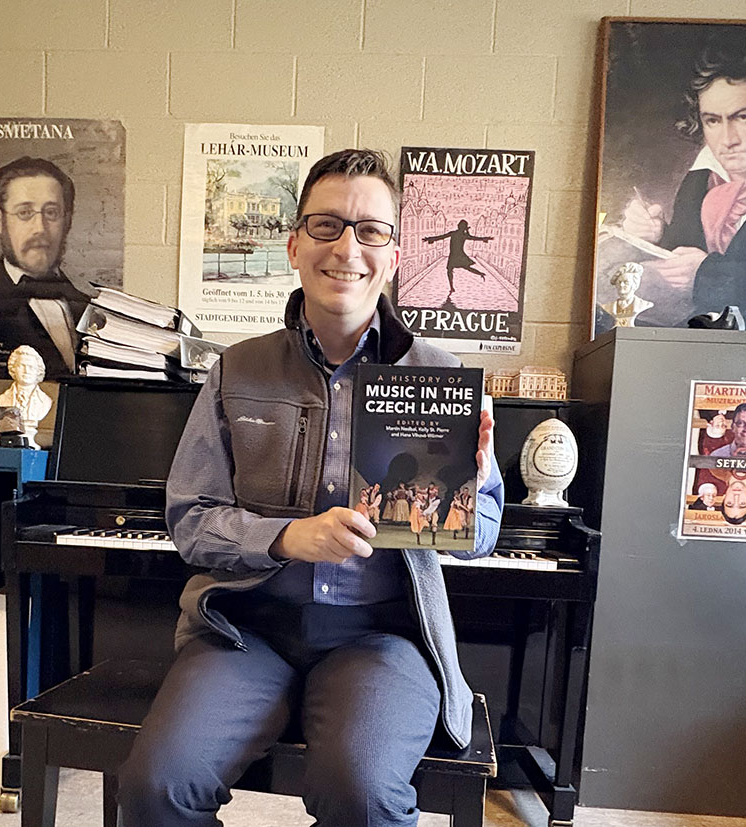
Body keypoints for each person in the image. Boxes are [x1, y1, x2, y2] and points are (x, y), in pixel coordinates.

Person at [117, 149, 504, 827]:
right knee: (156, 786)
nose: (347, 247)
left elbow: (485, 534)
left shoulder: (440, 376)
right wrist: (290, 537)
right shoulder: (237, 368)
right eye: (326, 226)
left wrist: (465, 492)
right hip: (246, 627)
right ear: (294, 246)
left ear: (393, 253)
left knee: (361, 792)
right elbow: (190, 518)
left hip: (382, 638)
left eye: (370, 230)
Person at [619, 38, 746, 329]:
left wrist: (704, 274)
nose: (728, 140)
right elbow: (685, 252)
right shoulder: (700, 177)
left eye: (742, 117)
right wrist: (656, 237)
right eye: (713, 121)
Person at [0, 156, 93, 378]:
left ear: (67, 221)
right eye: (24, 213)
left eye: (51, 212)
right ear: (0, 221)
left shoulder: (88, 308)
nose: (40, 228)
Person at [422, 219, 493, 304]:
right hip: (459, 255)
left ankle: (452, 287)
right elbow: (475, 238)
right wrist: (485, 238)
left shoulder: (454, 233)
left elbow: (441, 237)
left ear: (458, 226)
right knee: (466, 268)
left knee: (449, 270)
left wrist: (430, 239)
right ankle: (480, 274)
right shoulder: (464, 235)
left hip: (454, 255)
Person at [0, 344, 52, 447]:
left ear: (37, 371)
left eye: (31, 367)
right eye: (22, 366)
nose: (26, 371)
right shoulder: (4, 399)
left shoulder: (44, 401)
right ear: (13, 368)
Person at [600, 262, 654, 327]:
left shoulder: (644, 305)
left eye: (626, 282)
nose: (621, 285)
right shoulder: (606, 308)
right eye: (619, 282)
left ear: (635, 284)